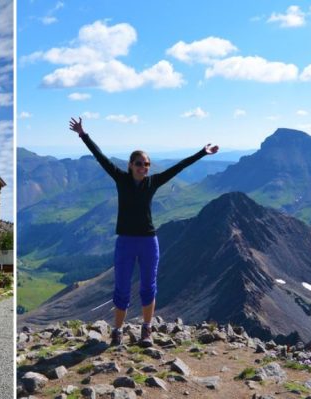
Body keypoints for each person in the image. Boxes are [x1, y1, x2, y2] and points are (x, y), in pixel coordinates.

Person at [69, 117, 219, 347]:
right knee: (121, 288)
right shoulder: (121, 178)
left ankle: (147, 330)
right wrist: (83, 134)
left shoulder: (153, 182)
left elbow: (179, 167)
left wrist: (202, 152)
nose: (143, 167)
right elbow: (101, 157)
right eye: (139, 163)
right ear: (130, 165)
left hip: (149, 241)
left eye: (146, 164)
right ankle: (117, 331)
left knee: (149, 287)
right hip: (126, 242)